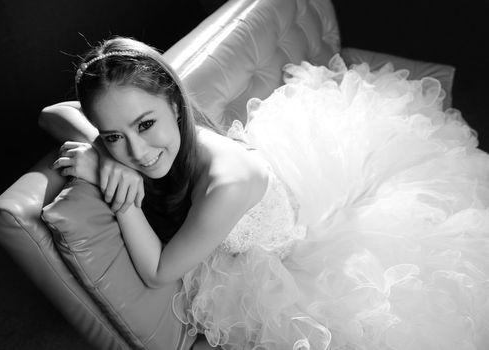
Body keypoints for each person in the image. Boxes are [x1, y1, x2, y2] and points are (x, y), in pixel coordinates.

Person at [39, 36, 489, 349]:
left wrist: (120, 191)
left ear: (174, 103)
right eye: (114, 136)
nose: (136, 152)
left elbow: (158, 272)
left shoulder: (231, 181)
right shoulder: (148, 141)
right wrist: (102, 154)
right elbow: (53, 112)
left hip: (290, 264)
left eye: (145, 125)